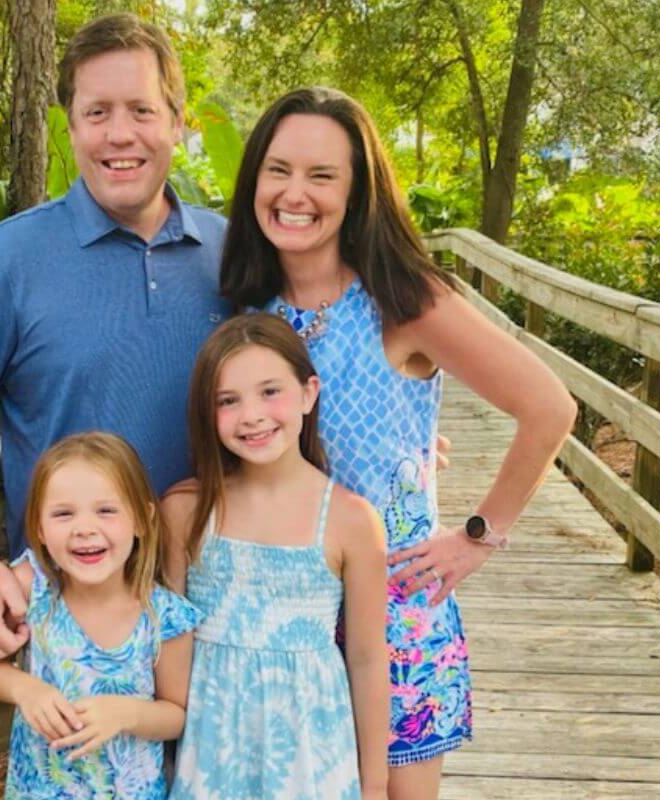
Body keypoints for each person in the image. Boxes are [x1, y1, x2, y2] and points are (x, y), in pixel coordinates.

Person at [220, 88, 578, 799]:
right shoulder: (248, 306)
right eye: (278, 170)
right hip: (288, 616)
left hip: (395, 613)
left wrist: (477, 537)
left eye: (322, 176)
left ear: (357, 193)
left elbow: (549, 407)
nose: (294, 193)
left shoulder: (404, 301)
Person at [0, 13, 230, 661]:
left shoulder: (232, 252)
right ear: (72, 126)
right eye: (97, 112)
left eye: (142, 110)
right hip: (72, 630)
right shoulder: (10, 258)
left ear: (176, 121)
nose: (119, 134)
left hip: (221, 611)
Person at [162, 314, 391, 799]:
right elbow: (168, 644)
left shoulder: (351, 520)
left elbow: (368, 658)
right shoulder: (186, 510)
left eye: (270, 392)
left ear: (309, 393)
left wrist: (374, 784)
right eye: (228, 400)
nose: (251, 415)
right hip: (212, 749)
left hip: (310, 752)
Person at [0, 432, 202, 799]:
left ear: (142, 519)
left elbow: (176, 714)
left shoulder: (165, 617)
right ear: (40, 529)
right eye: (63, 514)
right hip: (39, 790)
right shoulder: (32, 589)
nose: (84, 528)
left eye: (106, 510)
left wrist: (126, 714)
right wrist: (25, 689)